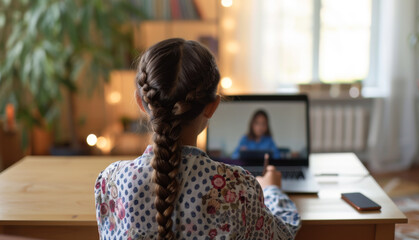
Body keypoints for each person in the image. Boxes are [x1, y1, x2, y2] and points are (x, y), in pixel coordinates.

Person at [94, 38, 300, 240]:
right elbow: (282, 234)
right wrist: (272, 190)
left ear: (141, 102)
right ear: (212, 106)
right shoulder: (239, 187)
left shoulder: (110, 182)